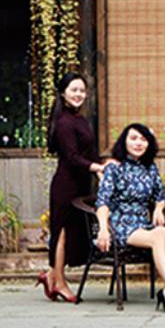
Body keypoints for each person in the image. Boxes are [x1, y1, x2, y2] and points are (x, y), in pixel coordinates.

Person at [94, 123, 165, 313]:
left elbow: (161, 195)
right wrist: (103, 229)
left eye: (143, 139)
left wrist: (158, 208)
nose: (138, 143)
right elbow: (102, 202)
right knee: (158, 237)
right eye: (134, 138)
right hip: (121, 224)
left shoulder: (150, 168)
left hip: (142, 223)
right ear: (124, 142)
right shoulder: (114, 168)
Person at [41, 72, 112, 303]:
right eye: (74, 90)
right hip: (66, 185)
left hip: (81, 185)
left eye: (82, 90)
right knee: (62, 233)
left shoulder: (79, 119)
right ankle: (59, 283)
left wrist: (103, 165)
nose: (79, 94)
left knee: (72, 233)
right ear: (63, 93)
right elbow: (71, 157)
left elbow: (88, 153)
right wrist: (96, 167)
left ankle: (51, 275)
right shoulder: (64, 122)